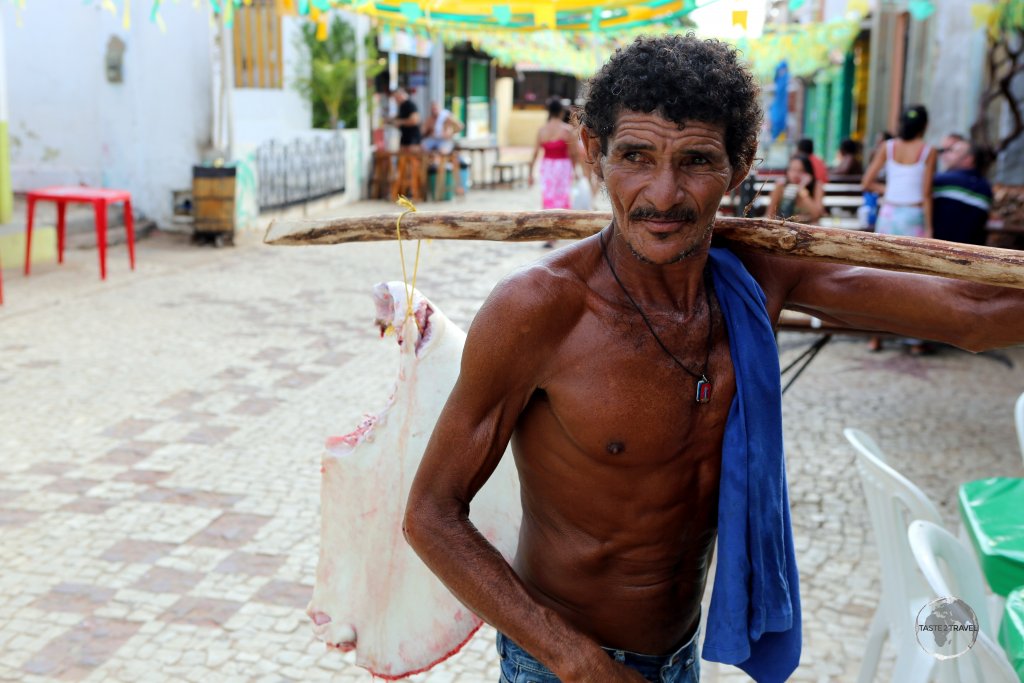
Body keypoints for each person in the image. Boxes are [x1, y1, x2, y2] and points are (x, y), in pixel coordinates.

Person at [403, 34, 1024, 683]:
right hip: (560, 666)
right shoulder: (540, 309)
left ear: (743, 161)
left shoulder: (759, 278)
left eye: (696, 160)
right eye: (635, 156)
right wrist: (576, 659)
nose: (663, 194)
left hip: (681, 658)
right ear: (594, 153)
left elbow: (971, 312)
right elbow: (431, 512)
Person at [861, 105, 938, 353]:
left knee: (882, 275)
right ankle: (914, 340)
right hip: (913, 216)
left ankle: (876, 337)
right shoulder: (928, 151)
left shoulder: (889, 147)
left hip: (889, 214)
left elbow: (867, 182)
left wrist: (890, 192)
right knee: (915, 278)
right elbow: (926, 194)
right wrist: (929, 227)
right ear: (925, 126)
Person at [528, 97, 579, 246]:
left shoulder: (542, 130)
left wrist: (530, 173)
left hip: (547, 167)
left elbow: (535, 154)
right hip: (563, 166)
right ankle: (558, 230)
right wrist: (575, 169)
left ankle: (550, 233)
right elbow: (574, 153)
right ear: (561, 111)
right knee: (562, 198)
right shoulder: (567, 130)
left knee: (548, 198)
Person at [932, 138, 994, 246]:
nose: (946, 155)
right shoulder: (986, 187)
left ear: (968, 159)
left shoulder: (945, 181)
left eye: (953, 151)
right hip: (972, 251)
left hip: (941, 247)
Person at [421, 102, 465, 199]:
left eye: (435, 108)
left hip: (445, 143)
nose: (434, 111)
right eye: (433, 109)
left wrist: (450, 134)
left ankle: (442, 179)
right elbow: (423, 131)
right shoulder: (431, 119)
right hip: (433, 143)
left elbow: (460, 126)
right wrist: (428, 130)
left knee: (442, 153)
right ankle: (433, 170)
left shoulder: (446, 116)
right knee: (422, 149)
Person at [767, 154, 825, 224]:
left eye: (801, 170)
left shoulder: (816, 186)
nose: (795, 174)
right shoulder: (780, 186)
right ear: (787, 171)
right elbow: (770, 215)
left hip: (807, 230)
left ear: (808, 173)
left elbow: (817, 214)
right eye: (793, 170)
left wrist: (801, 190)